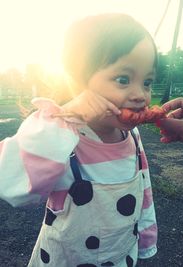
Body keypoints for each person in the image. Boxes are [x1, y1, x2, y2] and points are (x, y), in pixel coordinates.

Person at [0, 13, 158, 266]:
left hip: (121, 256)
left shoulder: (133, 136)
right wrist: (65, 119)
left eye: (147, 82)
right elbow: (10, 184)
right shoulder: (58, 134)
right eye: (123, 79)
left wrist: (147, 240)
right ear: (77, 80)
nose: (140, 95)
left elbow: (144, 192)